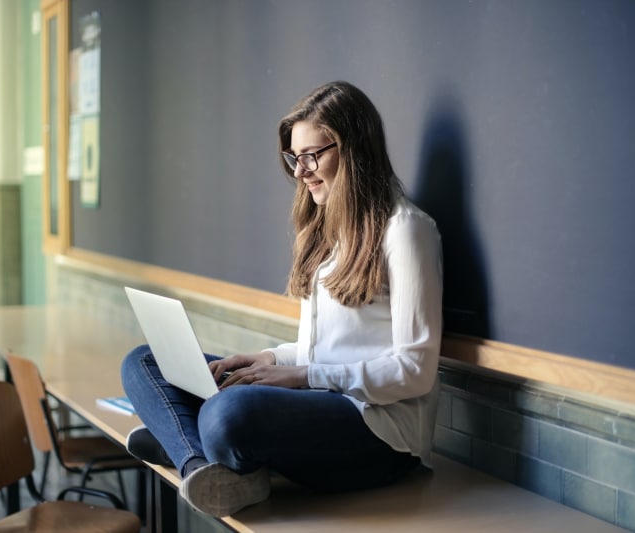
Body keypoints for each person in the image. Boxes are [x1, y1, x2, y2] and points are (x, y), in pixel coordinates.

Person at [121, 80, 443, 517]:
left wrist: (303, 377)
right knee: (143, 361)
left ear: (354, 150)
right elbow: (321, 350)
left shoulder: (406, 230)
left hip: (380, 434)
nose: (299, 171)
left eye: (312, 155)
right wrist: (267, 359)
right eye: (294, 157)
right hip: (320, 401)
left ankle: (188, 443)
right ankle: (204, 467)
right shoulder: (327, 234)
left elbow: (415, 372)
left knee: (229, 412)